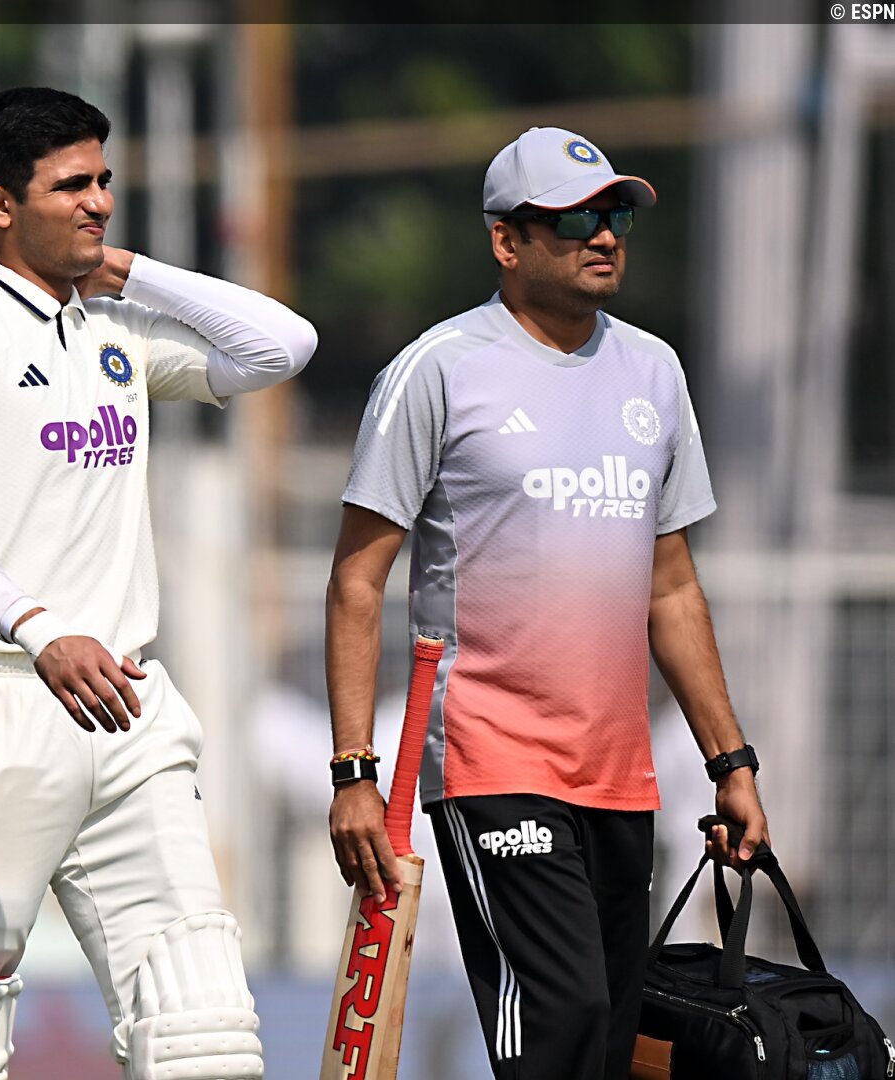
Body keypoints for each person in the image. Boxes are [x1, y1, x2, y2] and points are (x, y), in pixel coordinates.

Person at [0, 86, 316, 1080]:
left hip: (130, 709)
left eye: (103, 179)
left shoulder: (116, 330)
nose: (99, 200)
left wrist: (129, 270)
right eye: (70, 185)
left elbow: (282, 345)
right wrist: (37, 627)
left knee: (205, 1040)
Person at [324, 126, 768, 1080]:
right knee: (561, 1022)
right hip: (489, 760)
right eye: (572, 221)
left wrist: (730, 762)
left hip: (619, 776)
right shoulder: (437, 369)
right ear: (506, 241)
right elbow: (359, 578)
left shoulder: (655, 371)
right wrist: (354, 770)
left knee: (609, 1044)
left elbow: (673, 587)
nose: (602, 236)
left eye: (614, 217)